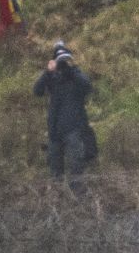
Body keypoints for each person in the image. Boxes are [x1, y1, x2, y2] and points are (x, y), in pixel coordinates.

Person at [33, 41, 98, 190]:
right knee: (55, 170)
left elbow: (87, 86)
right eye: (60, 61)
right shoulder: (51, 78)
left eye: (64, 60)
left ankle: (78, 197)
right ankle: (59, 198)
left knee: (76, 166)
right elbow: (37, 91)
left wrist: (70, 70)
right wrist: (48, 72)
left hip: (74, 128)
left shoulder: (75, 75)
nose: (62, 64)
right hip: (55, 130)